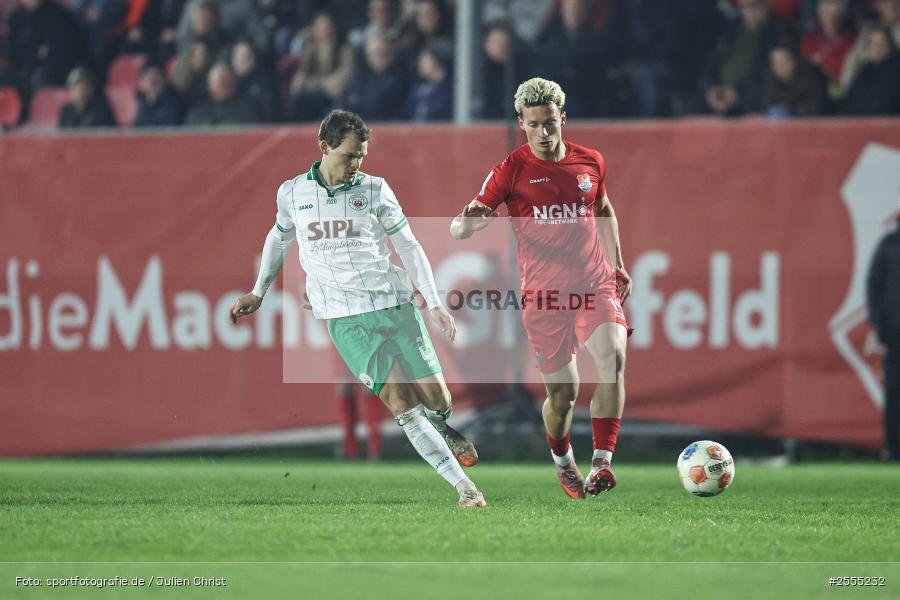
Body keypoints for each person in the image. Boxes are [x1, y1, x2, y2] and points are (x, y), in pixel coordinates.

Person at [230, 110, 486, 508]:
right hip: (344, 319)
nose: (356, 165)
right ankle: (466, 489)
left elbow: (409, 247)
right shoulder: (293, 193)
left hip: (393, 305)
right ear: (324, 148)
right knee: (402, 405)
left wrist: (434, 304)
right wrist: (258, 292)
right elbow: (278, 238)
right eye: (350, 156)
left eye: (362, 157)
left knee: (438, 400)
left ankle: (442, 424)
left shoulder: (376, 190)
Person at [450, 78, 631, 499]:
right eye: (534, 125)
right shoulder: (510, 170)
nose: (544, 133)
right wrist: (465, 226)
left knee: (614, 359)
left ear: (562, 118)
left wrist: (617, 261)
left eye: (550, 123)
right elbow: (465, 222)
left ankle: (602, 465)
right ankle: (563, 460)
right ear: (522, 124)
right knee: (562, 396)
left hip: (593, 284)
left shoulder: (590, 162)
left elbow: (603, 208)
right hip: (545, 297)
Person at [866, 201, 900, 462]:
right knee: (895, 393)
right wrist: (881, 325)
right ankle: (894, 448)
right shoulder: (889, 245)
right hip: (895, 336)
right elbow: (873, 286)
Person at [841, 25, 900, 115]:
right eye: (872, 44)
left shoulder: (896, 75)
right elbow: (850, 102)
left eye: (881, 43)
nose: (876, 48)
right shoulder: (862, 73)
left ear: (890, 46)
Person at [184, 62, 261, 126]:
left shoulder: (247, 112)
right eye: (220, 82)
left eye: (228, 81)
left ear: (234, 84)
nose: (224, 86)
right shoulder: (196, 115)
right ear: (209, 86)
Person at [133, 62, 184, 127]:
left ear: (164, 80)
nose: (152, 84)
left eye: (156, 79)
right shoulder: (142, 103)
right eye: (148, 80)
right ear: (141, 83)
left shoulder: (173, 102)